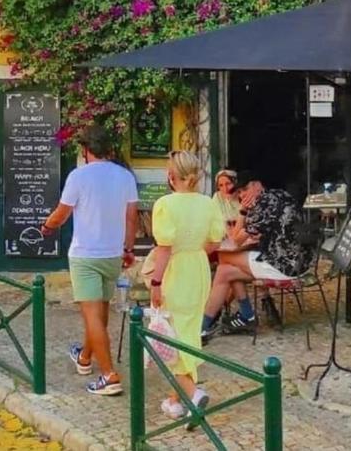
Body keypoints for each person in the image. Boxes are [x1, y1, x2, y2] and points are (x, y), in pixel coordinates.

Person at [40, 124, 138, 396]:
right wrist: (128, 249)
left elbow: (62, 214)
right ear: (109, 149)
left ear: (85, 150)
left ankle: (109, 375)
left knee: (92, 315)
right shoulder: (125, 177)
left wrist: (47, 227)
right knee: (101, 312)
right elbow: (131, 217)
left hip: (85, 254)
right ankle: (84, 357)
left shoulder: (78, 177)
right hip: (113, 253)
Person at [149, 151, 225, 421]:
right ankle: (176, 399)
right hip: (199, 266)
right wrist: (196, 251)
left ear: (171, 176)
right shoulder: (208, 204)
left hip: (176, 270)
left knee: (172, 334)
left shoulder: (165, 205)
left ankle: (193, 392)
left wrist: (156, 282)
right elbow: (215, 241)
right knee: (189, 330)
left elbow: (164, 249)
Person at [201, 173, 315, 339]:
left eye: (246, 189)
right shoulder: (279, 194)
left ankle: (215, 323)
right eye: (239, 192)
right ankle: (228, 320)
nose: (243, 195)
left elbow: (235, 240)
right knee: (225, 271)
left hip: (283, 265)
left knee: (224, 260)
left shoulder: (262, 205)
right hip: (300, 261)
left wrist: (243, 211)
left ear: (257, 185)